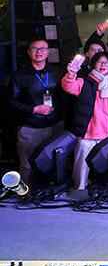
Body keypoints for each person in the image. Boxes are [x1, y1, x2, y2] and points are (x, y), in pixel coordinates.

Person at [61, 51, 108, 190]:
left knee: (107, 170)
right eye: (100, 62)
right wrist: (71, 73)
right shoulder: (84, 82)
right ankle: (79, 191)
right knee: (81, 170)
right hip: (87, 134)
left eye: (107, 62)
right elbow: (68, 86)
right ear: (93, 64)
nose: (103, 65)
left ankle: (105, 192)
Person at [10, 39, 65, 183]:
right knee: (27, 165)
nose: (39, 52)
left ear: (48, 52)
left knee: (55, 161)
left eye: (43, 49)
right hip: (31, 127)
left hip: (55, 124)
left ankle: (51, 190)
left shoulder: (57, 72)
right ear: (29, 52)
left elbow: (65, 97)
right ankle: (26, 191)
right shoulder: (19, 75)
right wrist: (33, 109)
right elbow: (11, 102)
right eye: (35, 48)